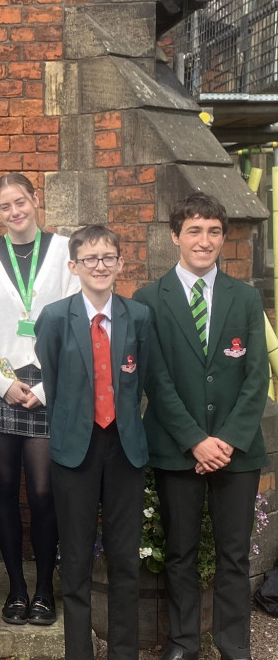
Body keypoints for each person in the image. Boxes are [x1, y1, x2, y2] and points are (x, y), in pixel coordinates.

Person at [134, 193, 268, 660]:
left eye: (213, 231)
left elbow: (257, 377)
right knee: (180, 552)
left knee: (234, 556)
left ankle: (233, 646)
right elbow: (156, 378)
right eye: (194, 230)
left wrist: (227, 439)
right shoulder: (149, 300)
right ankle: (183, 642)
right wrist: (195, 439)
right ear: (175, 236)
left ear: (222, 237)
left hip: (238, 451)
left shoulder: (246, 297)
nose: (204, 240)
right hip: (177, 448)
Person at [0, 172, 79, 626]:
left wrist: (47, 387)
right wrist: (2, 380)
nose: (15, 212)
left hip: (51, 386)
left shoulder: (66, 251)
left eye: (21, 202)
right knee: (4, 491)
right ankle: (16, 588)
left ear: (35, 201)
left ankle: (46, 589)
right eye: (5, 206)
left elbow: (75, 320)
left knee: (44, 493)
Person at [35, 225, 154, 660]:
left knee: (125, 559)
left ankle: (124, 652)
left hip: (124, 448)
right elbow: (53, 376)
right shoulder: (54, 317)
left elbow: (143, 379)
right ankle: (79, 653)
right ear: (74, 266)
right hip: (75, 450)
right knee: (78, 560)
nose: (100, 266)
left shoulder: (137, 316)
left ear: (121, 263)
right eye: (90, 259)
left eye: (108, 258)